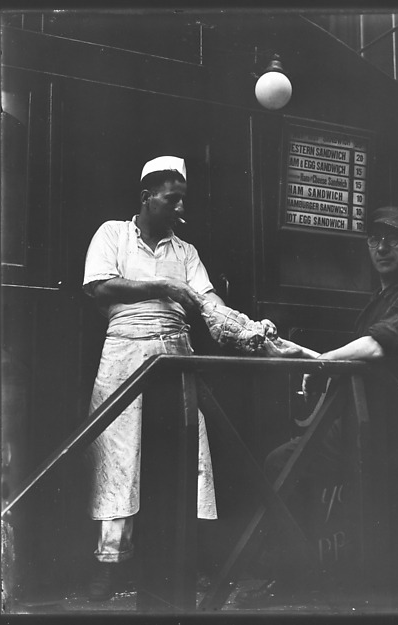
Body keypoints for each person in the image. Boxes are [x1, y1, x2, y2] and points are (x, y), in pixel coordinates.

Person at [239, 206, 398, 611]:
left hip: (396, 438)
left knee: (392, 544)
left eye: (393, 238)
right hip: (360, 427)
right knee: (283, 463)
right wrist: (302, 353)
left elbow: (374, 347)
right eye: (374, 238)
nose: (382, 247)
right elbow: (356, 359)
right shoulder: (383, 298)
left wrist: (321, 362)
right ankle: (296, 577)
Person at [82, 156, 225, 601]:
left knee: (187, 451)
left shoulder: (186, 251)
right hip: (125, 352)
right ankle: (110, 564)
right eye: (172, 198)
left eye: (184, 198)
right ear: (147, 198)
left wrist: (228, 317)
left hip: (176, 353)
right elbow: (98, 286)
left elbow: (204, 296)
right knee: (117, 454)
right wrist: (163, 288)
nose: (180, 207)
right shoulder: (113, 234)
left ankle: (187, 558)